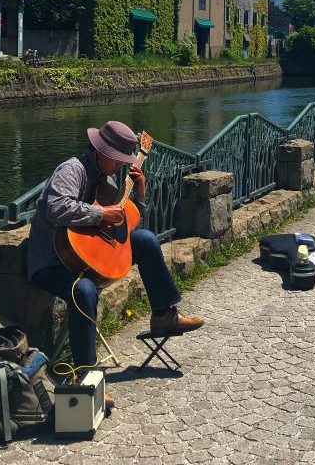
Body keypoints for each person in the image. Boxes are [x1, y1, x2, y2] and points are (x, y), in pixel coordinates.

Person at [26, 121, 205, 406]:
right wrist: (99, 213)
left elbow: (124, 225)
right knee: (84, 291)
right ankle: (87, 378)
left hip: (86, 257)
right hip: (51, 261)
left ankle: (163, 315)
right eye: (120, 159)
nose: (122, 165)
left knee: (145, 240)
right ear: (102, 151)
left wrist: (140, 193)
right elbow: (55, 208)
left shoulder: (108, 181)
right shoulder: (72, 170)